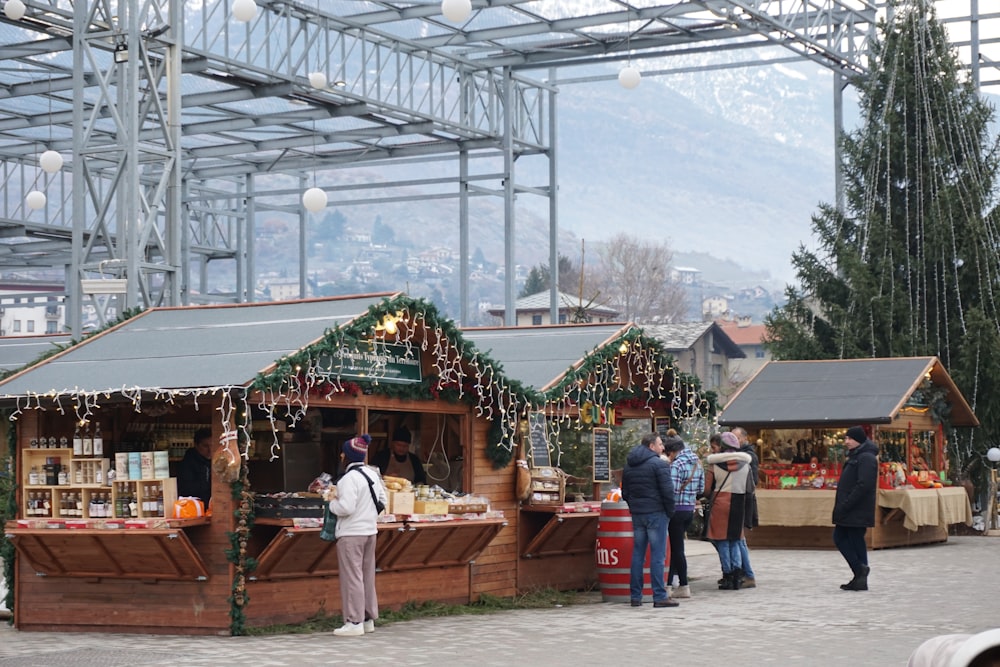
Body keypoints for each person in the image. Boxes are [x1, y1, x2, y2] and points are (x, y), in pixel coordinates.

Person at [329, 434, 388, 637]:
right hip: (370, 532)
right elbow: (383, 499)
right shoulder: (372, 474)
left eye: (343, 452)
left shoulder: (347, 479)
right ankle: (368, 619)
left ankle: (354, 622)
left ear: (346, 455)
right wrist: (368, 514)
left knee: (352, 578)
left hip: (351, 534)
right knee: (366, 576)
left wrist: (331, 503)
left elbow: (345, 507)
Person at [621, 432, 678, 608]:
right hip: (656, 513)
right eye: (660, 444)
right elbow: (668, 492)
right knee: (657, 556)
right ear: (651, 446)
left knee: (638, 554)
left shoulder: (629, 466)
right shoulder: (659, 465)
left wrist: (635, 507)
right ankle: (659, 596)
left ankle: (635, 596)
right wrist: (670, 512)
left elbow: (625, 493)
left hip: (638, 514)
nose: (663, 448)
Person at [705, 431, 754, 590]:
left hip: (720, 504)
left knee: (723, 540)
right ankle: (738, 575)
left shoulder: (714, 465)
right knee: (735, 539)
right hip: (739, 503)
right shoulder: (746, 465)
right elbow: (750, 488)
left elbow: (706, 490)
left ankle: (727, 575)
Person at [833, 425, 878, 591]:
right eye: (845, 438)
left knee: (847, 539)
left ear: (858, 440)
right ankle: (860, 575)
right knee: (847, 539)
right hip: (850, 508)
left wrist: (847, 503)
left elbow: (864, 484)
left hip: (856, 508)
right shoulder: (857, 455)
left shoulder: (866, 458)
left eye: (849, 438)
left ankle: (860, 571)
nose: (846, 442)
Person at [663, 431, 704, 599]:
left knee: (676, 549)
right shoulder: (697, 463)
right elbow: (701, 490)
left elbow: (671, 490)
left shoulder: (677, 465)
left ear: (672, 451)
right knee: (676, 546)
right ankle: (669, 584)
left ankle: (683, 584)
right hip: (689, 510)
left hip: (676, 510)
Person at [732, 426, 759, 588]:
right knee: (739, 538)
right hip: (740, 500)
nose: (735, 441)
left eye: (737, 438)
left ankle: (748, 574)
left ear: (744, 439)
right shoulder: (740, 454)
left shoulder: (747, 456)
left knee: (739, 539)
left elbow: (752, 481)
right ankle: (744, 573)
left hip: (742, 501)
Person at [177, 427, 212, 505]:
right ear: (196, 445)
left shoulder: (217, 461)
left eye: (212, 445)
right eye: (205, 446)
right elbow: (186, 489)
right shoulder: (187, 463)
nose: (210, 450)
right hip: (193, 507)